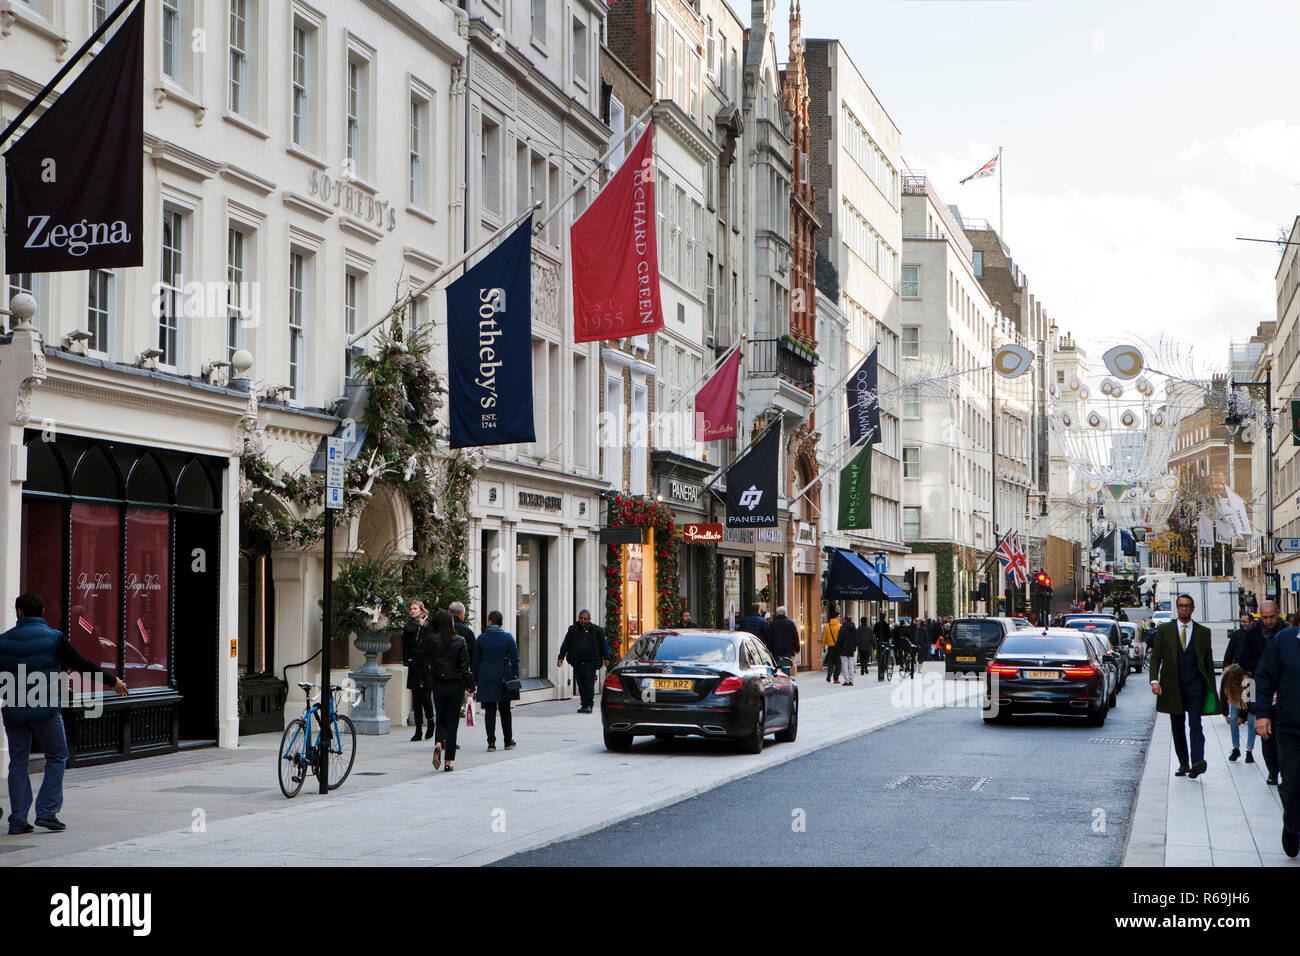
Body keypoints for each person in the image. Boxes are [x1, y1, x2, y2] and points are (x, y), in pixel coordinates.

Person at [0, 593, 128, 833]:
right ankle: (47, 813)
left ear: (18, 612)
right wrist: (112, 681)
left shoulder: (3, 641)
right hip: (45, 709)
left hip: (14, 710)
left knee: (18, 762)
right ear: (43, 612)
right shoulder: (54, 639)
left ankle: (17, 820)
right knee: (58, 756)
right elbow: (81, 664)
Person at [1149, 593, 1219, 779]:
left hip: (1196, 686)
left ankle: (1197, 762)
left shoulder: (1203, 632)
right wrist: (1154, 680)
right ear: (1177, 608)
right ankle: (1183, 763)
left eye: (1187, 606)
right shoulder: (1165, 630)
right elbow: (1156, 657)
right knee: (1177, 725)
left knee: (1195, 724)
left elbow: (1208, 662)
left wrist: (1212, 688)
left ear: (1193, 608)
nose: (1184, 609)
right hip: (1172, 686)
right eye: (1181, 606)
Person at [1252, 615, 1300, 857]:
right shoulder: (1285, 641)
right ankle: (1292, 825)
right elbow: (1263, 678)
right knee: (1292, 785)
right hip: (1292, 727)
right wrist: (1260, 714)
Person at [426, 610, 474, 772]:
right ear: (451, 624)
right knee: (452, 723)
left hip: (439, 684)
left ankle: (439, 743)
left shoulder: (432, 640)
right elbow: (465, 667)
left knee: (440, 718)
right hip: (455, 685)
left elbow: (428, 662)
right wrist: (471, 687)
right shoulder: (460, 641)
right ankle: (448, 761)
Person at [1222, 610, 1267, 762]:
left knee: (1251, 717)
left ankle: (1249, 749)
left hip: (1251, 681)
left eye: (1245, 622)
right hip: (1236, 680)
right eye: (1241, 622)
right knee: (1234, 717)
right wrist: (1226, 674)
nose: (1243, 624)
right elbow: (1229, 655)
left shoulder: (1259, 636)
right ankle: (1236, 748)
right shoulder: (1237, 635)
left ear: (1252, 622)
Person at [472, 610, 519, 752]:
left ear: (490, 621)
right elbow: (515, 659)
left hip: (486, 677)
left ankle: (491, 742)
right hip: (503, 678)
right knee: (505, 711)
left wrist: (475, 679)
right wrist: (513, 673)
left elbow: (475, 661)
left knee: (490, 711)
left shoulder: (481, 638)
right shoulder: (508, 638)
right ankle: (507, 741)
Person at [1252, 601, 1288, 785]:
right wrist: (1247, 703)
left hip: (1284, 694)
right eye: (1265, 617)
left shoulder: (1287, 634)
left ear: (1278, 613)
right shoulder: (1253, 634)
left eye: (1272, 616)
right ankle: (1272, 771)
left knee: (1283, 735)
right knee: (1266, 736)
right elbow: (1244, 664)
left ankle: (1284, 771)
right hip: (1262, 690)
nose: (1269, 621)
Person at [557, 609, 611, 714]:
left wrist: (606, 658)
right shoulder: (573, 630)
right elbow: (566, 644)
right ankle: (584, 704)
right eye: (581, 618)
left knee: (589, 683)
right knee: (581, 684)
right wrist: (561, 657)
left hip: (590, 662)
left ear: (589, 619)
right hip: (577, 662)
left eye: (585, 618)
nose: (582, 620)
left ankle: (588, 705)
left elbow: (603, 645)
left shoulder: (596, 630)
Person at [402, 601, 435, 742]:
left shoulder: (429, 625)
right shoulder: (409, 626)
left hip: (426, 665)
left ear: (421, 610)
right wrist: (407, 659)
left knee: (426, 698)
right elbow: (406, 644)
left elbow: (429, 643)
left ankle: (431, 722)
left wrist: (422, 628)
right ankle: (418, 730)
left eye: (415, 608)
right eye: (411, 609)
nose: (412, 611)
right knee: (416, 699)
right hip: (414, 664)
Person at [835, 617, 858, 686]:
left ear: (845, 620)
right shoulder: (854, 628)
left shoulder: (842, 628)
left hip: (843, 649)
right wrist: (854, 647)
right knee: (851, 665)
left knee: (844, 665)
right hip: (851, 648)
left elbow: (839, 639)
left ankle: (846, 680)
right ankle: (851, 680)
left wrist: (838, 647)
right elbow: (856, 639)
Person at [822, 607, 842, 683]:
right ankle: (836, 678)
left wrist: (823, 646)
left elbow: (824, 637)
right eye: (839, 616)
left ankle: (829, 675)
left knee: (830, 662)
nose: (839, 618)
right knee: (838, 663)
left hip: (830, 647)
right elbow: (841, 638)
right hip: (838, 647)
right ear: (836, 617)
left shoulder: (827, 626)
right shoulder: (839, 626)